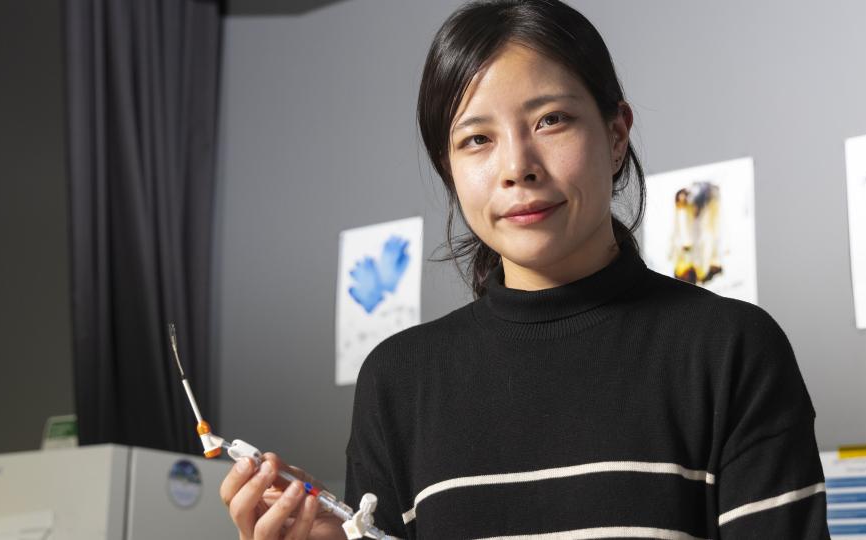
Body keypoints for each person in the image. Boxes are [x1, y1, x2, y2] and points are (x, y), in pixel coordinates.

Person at [220, 1, 830, 538]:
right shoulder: (397, 382)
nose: (517, 166)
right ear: (449, 171)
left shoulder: (732, 350)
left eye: (550, 120)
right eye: (476, 140)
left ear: (616, 135)